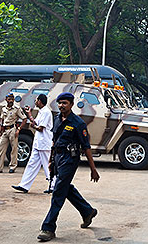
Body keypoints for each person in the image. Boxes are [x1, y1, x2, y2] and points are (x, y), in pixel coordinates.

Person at [37, 92, 100, 242]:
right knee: (65, 188)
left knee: (58, 191)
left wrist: (93, 168)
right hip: (58, 158)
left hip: (70, 159)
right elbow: (54, 141)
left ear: (71, 105)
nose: (61, 106)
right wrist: (51, 161)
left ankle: (48, 227)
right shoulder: (57, 119)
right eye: (59, 103)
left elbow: (86, 147)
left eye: (65, 103)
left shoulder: (78, 123)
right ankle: (87, 211)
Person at [12, 94, 53, 193]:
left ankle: (53, 185)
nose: (35, 102)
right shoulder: (41, 112)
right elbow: (35, 122)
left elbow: (40, 128)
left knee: (48, 165)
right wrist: (29, 114)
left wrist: (33, 126)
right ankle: (24, 185)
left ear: (40, 101)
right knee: (31, 164)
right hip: (38, 143)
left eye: (36, 100)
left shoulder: (47, 112)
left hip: (43, 143)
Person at [0, 93, 27, 174]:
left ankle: (12, 167)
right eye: (9, 99)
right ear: (6, 99)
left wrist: (19, 129)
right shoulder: (4, 109)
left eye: (12, 99)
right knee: (0, 148)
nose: (10, 101)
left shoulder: (16, 108)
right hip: (5, 130)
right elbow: (1, 120)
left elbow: (24, 119)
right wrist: (0, 132)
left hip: (12, 129)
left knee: (14, 149)